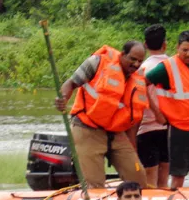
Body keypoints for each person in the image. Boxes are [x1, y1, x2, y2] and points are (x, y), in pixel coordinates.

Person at [55, 41, 149, 189]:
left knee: (138, 175)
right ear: (123, 54)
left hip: (117, 134)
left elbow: (134, 118)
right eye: (132, 59)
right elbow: (70, 84)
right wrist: (63, 99)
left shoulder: (139, 78)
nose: (136, 64)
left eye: (140, 61)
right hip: (87, 129)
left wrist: (133, 148)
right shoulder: (97, 62)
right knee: (95, 184)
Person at [145, 30, 189, 189]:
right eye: (184, 50)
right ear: (177, 48)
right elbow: (142, 84)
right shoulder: (167, 67)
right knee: (178, 176)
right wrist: (157, 112)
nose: (188, 54)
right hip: (178, 129)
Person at [136, 24, 170, 188]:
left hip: (146, 128)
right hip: (169, 128)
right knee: (164, 178)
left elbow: (141, 91)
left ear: (146, 45)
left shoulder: (141, 68)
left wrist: (155, 113)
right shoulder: (174, 66)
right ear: (165, 44)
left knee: (149, 179)